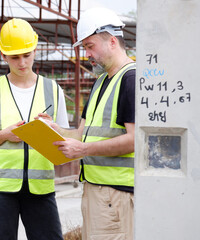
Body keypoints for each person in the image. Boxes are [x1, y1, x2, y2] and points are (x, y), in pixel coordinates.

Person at [38, 7, 136, 240]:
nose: (87, 54)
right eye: (85, 48)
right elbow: (83, 134)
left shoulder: (130, 79)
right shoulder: (101, 82)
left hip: (118, 195)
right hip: (96, 190)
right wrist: (57, 130)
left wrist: (84, 150)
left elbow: (135, 140)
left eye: (90, 46)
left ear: (112, 41)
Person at [0, 18, 69, 240]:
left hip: (40, 189)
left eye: (27, 55)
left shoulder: (53, 90)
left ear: (35, 50)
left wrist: (52, 129)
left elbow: (66, 142)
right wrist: (4, 135)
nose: (22, 63)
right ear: (3, 56)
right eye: (14, 57)